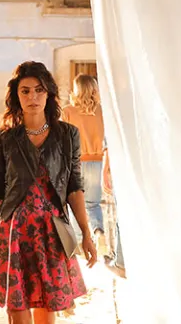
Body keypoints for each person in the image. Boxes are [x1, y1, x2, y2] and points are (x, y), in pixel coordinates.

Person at [0, 61, 97, 324]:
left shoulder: (67, 135)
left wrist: (86, 233)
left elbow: (74, 186)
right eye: (26, 91)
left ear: (49, 93)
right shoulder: (4, 138)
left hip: (51, 233)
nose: (33, 97)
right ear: (16, 96)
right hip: (13, 233)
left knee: (48, 309)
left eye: (39, 90)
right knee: (17, 311)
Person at [61, 74, 107, 255]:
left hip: (76, 163)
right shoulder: (102, 111)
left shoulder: (67, 112)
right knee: (93, 204)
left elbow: (62, 142)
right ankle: (98, 232)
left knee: (75, 204)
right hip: (97, 162)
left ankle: (80, 242)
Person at [102, 146, 126, 279]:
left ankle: (121, 264)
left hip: (122, 162)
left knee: (123, 214)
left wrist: (105, 167)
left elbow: (110, 143)